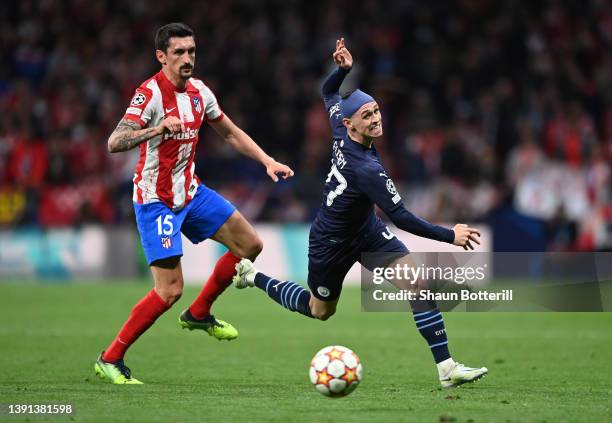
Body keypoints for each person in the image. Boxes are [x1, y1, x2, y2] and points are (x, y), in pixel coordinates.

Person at [233, 38, 487, 388]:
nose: (375, 119)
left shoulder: (342, 125)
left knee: (418, 286)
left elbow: (327, 93)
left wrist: (342, 72)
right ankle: (253, 277)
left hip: (365, 230)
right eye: (367, 116)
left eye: (376, 111)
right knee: (319, 310)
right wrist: (450, 236)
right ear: (351, 125)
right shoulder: (366, 170)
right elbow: (403, 218)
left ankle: (446, 368)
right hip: (330, 242)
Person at [95, 23, 294, 385]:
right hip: (157, 201)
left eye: (191, 51)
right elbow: (115, 141)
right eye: (179, 53)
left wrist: (266, 160)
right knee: (169, 290)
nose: (187, 59)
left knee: (250, 245)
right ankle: (110, 358)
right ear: (161, 56)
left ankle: (199, 313)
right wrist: (156, 129)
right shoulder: (149, 95)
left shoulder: (201, 91)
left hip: (192, 192)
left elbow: (230, 133)